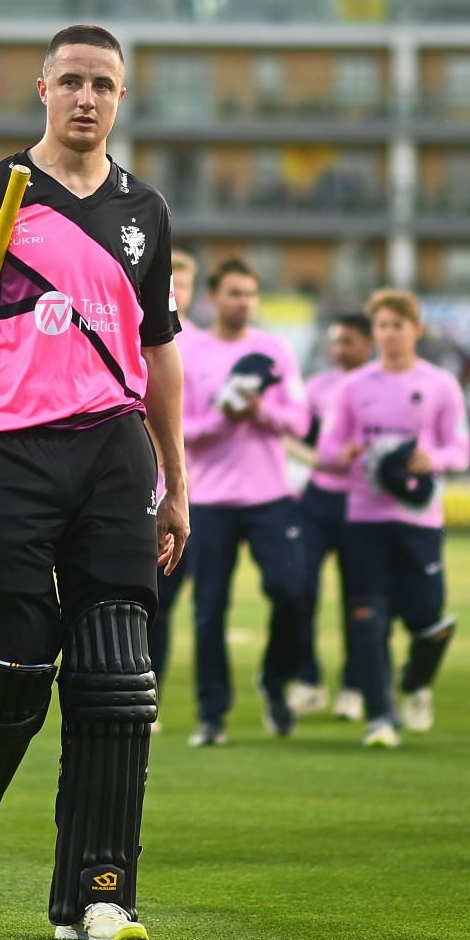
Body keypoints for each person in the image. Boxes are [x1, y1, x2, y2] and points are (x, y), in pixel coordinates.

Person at [0, 24, 186, 940]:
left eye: (103, 84)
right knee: (11, 671)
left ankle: (99, 896)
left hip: (111, 455)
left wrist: (176, 478)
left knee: (116, 681)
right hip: (3, 458)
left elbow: (159, 350)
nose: (87, 98)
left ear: (123, 97)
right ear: (42, 90)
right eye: (71, 82)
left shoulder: (147, 212)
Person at [319, 290, 470, 748]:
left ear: (416, 330)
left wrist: (433, 460)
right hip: (364, 516)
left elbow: (460, 451)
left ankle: (416, 683)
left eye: (397, 326)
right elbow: (327, 449)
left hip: (418, 518)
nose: (388, 334)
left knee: (428, 620)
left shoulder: (441, 384)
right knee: (367, 617)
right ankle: (380, 717)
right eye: (381, 326)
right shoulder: (353, 386)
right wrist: (342, 454)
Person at [178, 257, 313, 746]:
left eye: (251, 294)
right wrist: (222, 418)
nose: (244, 303)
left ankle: (274, 681)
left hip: (270, 495)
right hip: (211, 498)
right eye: (235, 293)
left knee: (291, 591)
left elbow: (300, 422)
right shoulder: (192, 354)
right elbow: (175, 428)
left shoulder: (274, 350)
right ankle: (212, 715)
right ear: (215, 298)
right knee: (209, 609)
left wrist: (261, 412)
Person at [294, 312, 375, 721]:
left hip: (363, 502)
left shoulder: (381, 386)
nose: (339, 349)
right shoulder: (318, 387)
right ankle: (307, 679)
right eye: (336, 341)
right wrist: (321, 462)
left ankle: (354, 686)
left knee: (358, 598)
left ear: (367, 342)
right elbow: (292, 436)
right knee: (300, 590)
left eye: (348, 341)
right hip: (318, 499)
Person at [147, 249, 198, 704]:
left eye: (181, 285)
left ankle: (150, 690)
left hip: (188, 491)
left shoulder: (195, 348)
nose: (174, 293)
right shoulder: (132, 332)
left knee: (166, 603)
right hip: (139, 482)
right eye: (170, 284)